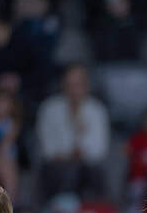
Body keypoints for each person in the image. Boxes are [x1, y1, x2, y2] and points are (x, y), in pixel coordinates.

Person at [35, 63, 110, 202]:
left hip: (88, 170)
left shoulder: (97, 110)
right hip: (56, 169)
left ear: (86, 85)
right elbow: (48, 150)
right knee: (67, 171)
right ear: (62, 85)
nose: (74, 89)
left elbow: (99, 151)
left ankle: (90, 212)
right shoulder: (49, 108)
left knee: (90, 171)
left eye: (78, 84)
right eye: (70, 84)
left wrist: (78, 127)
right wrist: (72, 154)